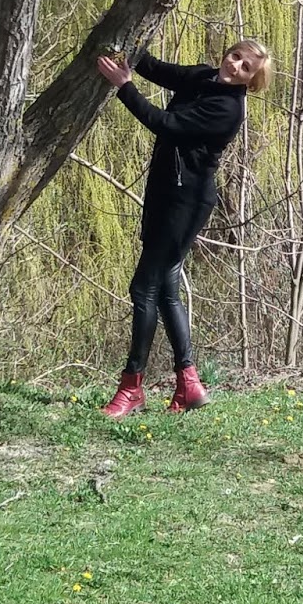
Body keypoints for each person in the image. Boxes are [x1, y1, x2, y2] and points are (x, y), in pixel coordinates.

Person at [95, 38, 272, 418]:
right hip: (166, 193)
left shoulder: (228, 109)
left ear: (252, 80)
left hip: (186, 202)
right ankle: (189, 384)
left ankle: (131, 387)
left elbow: (166, 124)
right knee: (166, 290)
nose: (235, 65)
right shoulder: (204, 77)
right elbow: (159, 70)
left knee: (144, 288)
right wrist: (127, 47)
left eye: (246, 67)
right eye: (235, 56)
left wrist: (124, 87)